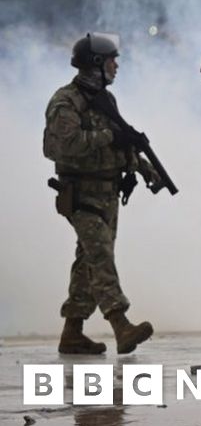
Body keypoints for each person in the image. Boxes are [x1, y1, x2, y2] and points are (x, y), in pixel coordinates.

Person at [43, 33, 156, 355]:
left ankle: (73, 332)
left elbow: (120, 144)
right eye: (111, 60)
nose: (116, 66)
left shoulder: (104, 99)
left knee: (88, 262)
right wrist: (109, 136)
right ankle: (121, 325)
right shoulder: (66, 101)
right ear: (96, 65)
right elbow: (63, 145)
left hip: (107, 193)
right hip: (81, 195)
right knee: (101, 258)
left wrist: (145, 169)